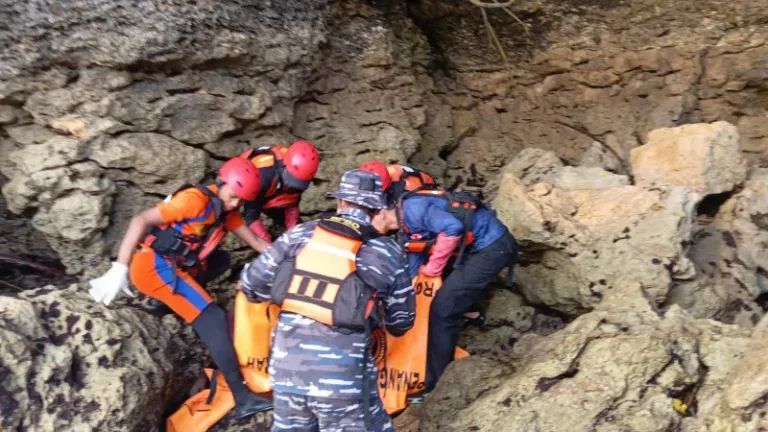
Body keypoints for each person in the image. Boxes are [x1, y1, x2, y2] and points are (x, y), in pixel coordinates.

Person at [87, 157, 274, 419]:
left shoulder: (226, 212)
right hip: (153, 268)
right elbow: (141, 220)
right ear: (221, 183)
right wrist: (120, 267)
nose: (235, 204)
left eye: (241, 201)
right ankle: (243, 398)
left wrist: (288, 256)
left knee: (222, 260)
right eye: (233, 196)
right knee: (215, 319)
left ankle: (162, 303)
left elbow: (255, 240)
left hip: (176, 265)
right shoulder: (194, 200)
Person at [239, 169, 416, 432]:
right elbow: (401, 322)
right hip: (342, 379)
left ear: (341, 202)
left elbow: (252, 284)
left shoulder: (300, 234)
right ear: (376, 209)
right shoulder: (386, 252)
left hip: (287, 370)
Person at [374, 186, 519, 394]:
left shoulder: (412, 210)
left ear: (381, 212)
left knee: (442, 310)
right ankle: (471, 314)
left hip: (493, 247)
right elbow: (413, 266)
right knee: (449, 293)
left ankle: (437, 382)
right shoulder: (403, 226)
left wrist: (433, 269)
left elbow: (453, 228)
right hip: (477, 248)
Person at [359, 161, 485, 327]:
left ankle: (428, 311)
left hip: (429, 226)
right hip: (419, 220)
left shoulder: (406, 194)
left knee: (421, 268)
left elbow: (420, 225)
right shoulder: (374, 179)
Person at [240, 141, 320, 243]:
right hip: (254, 190)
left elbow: (293, 202)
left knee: (299, 232)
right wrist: (268, 248)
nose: (295, 187)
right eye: (293, 180)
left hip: (276, 191)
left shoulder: (303, 171)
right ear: (285, 167)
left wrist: (296, 236)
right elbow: (251, 216)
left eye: (300, 183)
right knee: (264, 242)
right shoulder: (263, 176)